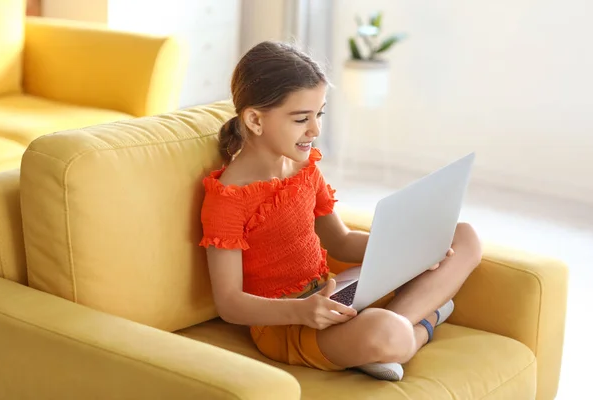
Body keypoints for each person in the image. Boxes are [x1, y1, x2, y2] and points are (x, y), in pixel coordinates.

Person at [199, 41, 483, 381]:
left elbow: (342, 242)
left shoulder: (304, 169)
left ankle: (392, 328)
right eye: (301, 118)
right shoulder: (228, 199)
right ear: (256, 120)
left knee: (463, 235)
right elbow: (229, 303)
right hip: (290, 323)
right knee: (388, 333)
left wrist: (410, 251)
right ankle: (423, 322)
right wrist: (303, 310)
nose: (315, 130)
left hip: (335, 292)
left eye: (318, 115)